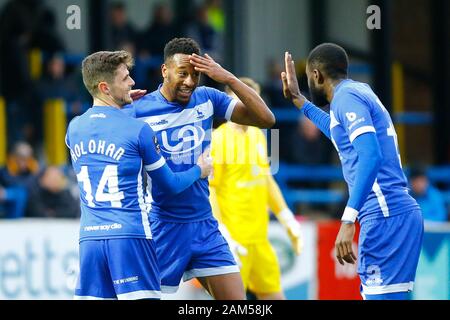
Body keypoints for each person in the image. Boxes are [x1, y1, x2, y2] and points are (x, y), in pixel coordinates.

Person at [128, 37, 275, 300]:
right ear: (165, 71)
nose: (189, 81)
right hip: (163, 226)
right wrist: (115, 104)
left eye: (195, 75)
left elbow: (266, 119)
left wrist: (228, 78)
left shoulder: (207, 98)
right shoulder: (139, 111)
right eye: (182, 73)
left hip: (204, 225)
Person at [281, 43, 424, 300]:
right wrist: (300, 101)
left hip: (384, 214)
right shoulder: (357, 92)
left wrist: (348, 220)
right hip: (393, 212)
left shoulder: (346, 98)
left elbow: (371, 157)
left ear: (317, 75)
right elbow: (338, 133)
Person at [65, 50, 211, 300]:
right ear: (104, 87)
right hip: (130, 237)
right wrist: (200, 170)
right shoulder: (138, 130)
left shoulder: (74, 128)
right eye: (124, 78)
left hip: (90, 240)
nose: (132, 82)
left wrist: (118, 103)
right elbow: (171, 185)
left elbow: (104, 126)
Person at [209, 77, 303, 300]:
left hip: (260, 239)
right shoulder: (218, 139)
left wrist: (286, 216)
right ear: (230, 102)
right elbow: (210, 190)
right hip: (234, 241)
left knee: (275, 297)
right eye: (242, 99)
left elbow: (266, 180)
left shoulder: (259, 135)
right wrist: (221, 233)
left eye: (253, 100)